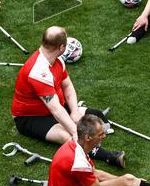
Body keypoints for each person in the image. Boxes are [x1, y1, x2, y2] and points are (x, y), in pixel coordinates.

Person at [12, 26, 124, 168]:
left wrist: (75, 112)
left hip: (54, 106)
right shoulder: (38, 72)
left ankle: (100, 131)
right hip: (31, 118)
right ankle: (110, 157)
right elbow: (56, 110)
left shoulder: (57, 60)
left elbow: (67, 86)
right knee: (69, 136)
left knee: (94, 113)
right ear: (61, 47)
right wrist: (74, 131)